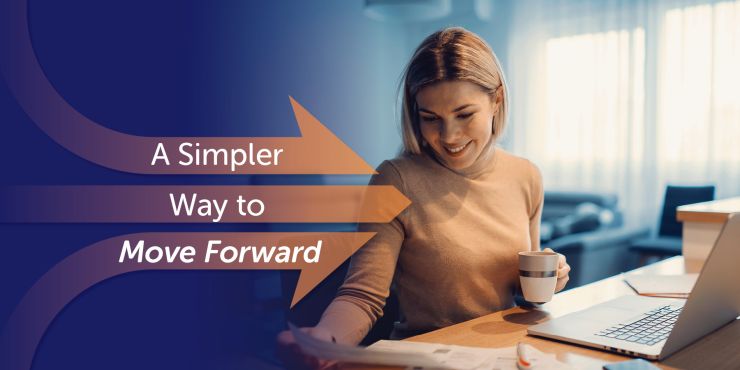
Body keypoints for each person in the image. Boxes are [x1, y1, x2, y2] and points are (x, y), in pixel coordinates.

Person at [277, 27, 571, 369]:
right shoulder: (396, 179)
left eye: (464, 115)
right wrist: (326, 338)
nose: (448, 137)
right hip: (431, 359)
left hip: (507, 354)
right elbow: (363, 296)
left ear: (497, 100)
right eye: (430, 118)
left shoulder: (526, 176)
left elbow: (524, 294)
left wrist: (550, 279)